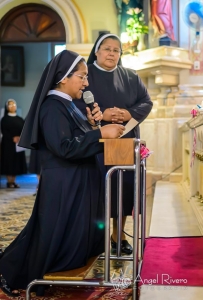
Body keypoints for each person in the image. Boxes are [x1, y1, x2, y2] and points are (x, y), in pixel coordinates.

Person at [0, 50, 125, 297]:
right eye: (83, 77)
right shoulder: (53, 106)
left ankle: (60, 268)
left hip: (76, 182)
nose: (87, 83)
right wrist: (100, 134)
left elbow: (78, 139)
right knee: (47, 235)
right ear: (64, 78)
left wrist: (93, 126)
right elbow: (64, 147)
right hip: (63, 184)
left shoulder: (68, 105)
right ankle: (14, 272)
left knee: (61, 235)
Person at [75, 33, 153, 255]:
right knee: (96, 188)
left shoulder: (130, 76)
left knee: (123, 189)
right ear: (97, 51)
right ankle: (94, 238)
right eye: (107, 49)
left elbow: (146, 102)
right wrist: (104, 115)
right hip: (95, 142)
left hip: (124, 142)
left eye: (116, 50)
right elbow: (74, 103)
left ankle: (118, 236)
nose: (111, 53)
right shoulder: (84, 75)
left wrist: (128, 113)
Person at [0, 99, 27, 188]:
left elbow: (23, 130)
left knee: (16, 162)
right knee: (8, 162)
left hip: (17, 143)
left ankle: (13, 181)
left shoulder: (20, 119)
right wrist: (13, 137)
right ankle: (9, 181)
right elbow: (4, 131)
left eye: (13, 104)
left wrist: (19, 137)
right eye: (10, 105)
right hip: (8, 144)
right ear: (7, 107)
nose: (12, 106)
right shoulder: (4, 119)